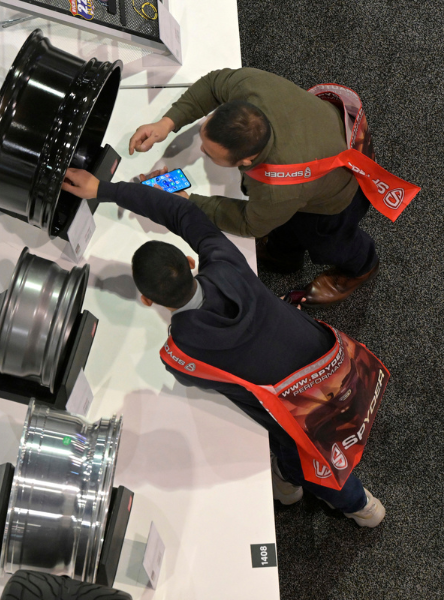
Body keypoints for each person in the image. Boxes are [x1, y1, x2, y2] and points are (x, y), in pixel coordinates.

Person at [61, 166, 386, 527]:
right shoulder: (226, 261)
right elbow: (182, 212)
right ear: (189, 261)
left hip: (303, 416)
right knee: (311, 449)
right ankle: (301, 486)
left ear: (147, 301)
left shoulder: (181, 353)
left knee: (311, 464)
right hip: (337, 361)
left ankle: (358, 506)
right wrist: (103, 189)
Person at [128, 67, 380, 307]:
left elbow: (252, 224)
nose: (202, 152)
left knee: (326, 238)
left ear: (246, 161)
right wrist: (167, 123)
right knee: (284, 225)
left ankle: (361, 267)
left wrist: (188, 201)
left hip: (340, 191)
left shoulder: (277, 187)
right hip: (332, 137)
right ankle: (284, 257)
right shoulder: (251, 86)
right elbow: (213, 85)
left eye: (210, 153)